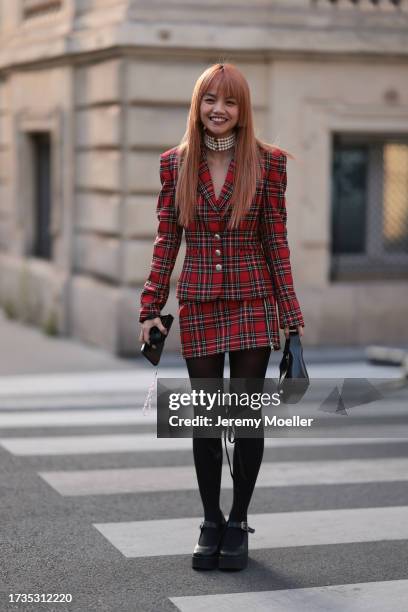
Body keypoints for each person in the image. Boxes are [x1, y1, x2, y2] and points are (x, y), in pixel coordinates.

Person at [139, 63, 305, 571]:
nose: (219, 109)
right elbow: (167, 239)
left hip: (254, 301)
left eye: (230, 102)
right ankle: (210, 519)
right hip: (201, 304)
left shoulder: (269, 163)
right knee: (208, 424)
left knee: (246, 421)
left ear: (242, 110)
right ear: (198, 105)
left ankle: (238, 521)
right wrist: (151, 307)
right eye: (210, 99)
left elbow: (275, 243)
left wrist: (291, 320)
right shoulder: (175, 164)